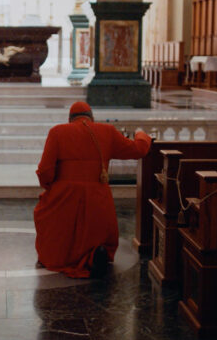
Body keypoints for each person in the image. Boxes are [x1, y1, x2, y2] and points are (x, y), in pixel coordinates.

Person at [34, 101, 152, 278]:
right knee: (96, 226)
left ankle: (60, 256)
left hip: (65, 194)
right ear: (92, 117)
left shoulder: (57, 132)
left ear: (69, 119)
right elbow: (138, 149)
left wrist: (52, 188)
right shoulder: (107, 131)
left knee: (46, 212)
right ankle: (94, 254)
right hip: (97, 196)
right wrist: (141, 134)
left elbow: (45, 171)